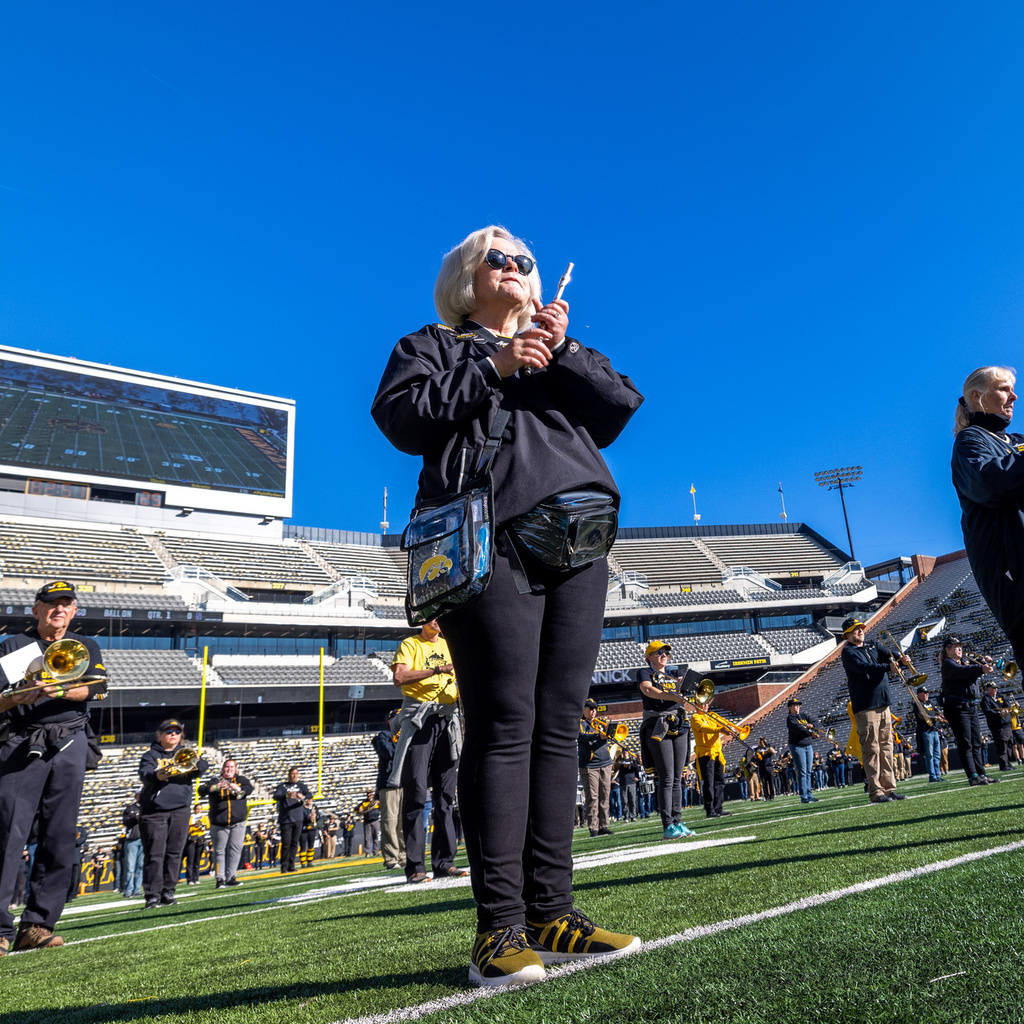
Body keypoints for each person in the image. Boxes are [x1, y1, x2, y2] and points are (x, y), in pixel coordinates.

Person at [372, 225, 643, 987]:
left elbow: (619, 407)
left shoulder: (556, 348)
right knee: (503, 724)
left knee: (558, 725)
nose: (517, 267)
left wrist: (563, 349)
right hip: (486, 537)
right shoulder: (430, 344)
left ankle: (552, 912)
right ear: (467, 276)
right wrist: (494, 364)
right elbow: (401, 421)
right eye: (500, 258)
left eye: (525, 260)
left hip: (579, 538)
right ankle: (499, 929)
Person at [0, 579, 107, 955]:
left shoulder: (84, 645)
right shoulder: (13, 645)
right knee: (8, 833)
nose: (58, 609)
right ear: (36, 610)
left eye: (65, 604)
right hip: (21, 740)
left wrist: (60, 689)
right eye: (51, 604)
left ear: (74, 611)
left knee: (60, 835)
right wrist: (16, 698)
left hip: (70, 741)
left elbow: (98, 688)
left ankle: (38, 925)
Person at [951, 366, 1024, 665]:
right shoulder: (970, 441)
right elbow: (990, 483)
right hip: (1014, 575)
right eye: (1004, 389)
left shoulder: (1017, 440)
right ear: (976, 396)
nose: (1014, 396)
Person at [389, 619, 463, 884]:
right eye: (433, 617)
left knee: (446, 795)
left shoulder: (449, 644)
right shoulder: (410, 644)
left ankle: (444, 862)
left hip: (448, 720)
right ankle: (415, 867)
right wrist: (438, 670)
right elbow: (399, 677)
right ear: (423, 620)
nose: (437, 621)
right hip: (420, 720)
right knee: (417, 791)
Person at [138, 719, 208, 908]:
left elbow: (201, 769)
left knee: (174, 853)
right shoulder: (151, 755)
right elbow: (144, 774)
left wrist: (198, 760)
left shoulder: (185, 753)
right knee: (155, 854)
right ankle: (152, 896)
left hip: (180, 810)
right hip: (154, 812)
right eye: (169, 731)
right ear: (159, 735)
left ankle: (168, 892)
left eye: (177, 732)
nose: (173, 735)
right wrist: (156, 775)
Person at [840, 617, 908, 804]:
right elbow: (863, 667)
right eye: (856, 629)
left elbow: (888, 655)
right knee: (872, 749)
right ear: (847, 634)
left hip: (883, 703)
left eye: (861, 628)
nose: (860, 631)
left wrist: (900, 659)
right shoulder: (848, 652)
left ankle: (889, 789)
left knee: (887, 748)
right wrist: (888, 667)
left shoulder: (872, 645)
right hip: (866, 706)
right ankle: (876, 792)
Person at [636, 641, 696, 839]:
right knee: (667, 777)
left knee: (678, 777)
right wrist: (673, 697)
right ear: (649, 656)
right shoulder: (645, 672)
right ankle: (668, 825)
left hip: (678, 723)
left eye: (666, 653)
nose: (664, 655)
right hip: (658, 724)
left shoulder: (674, 673)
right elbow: (647, 690)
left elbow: (687, 691)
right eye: (660, 652)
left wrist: (684, 687)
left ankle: (678, 822)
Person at [939, 637, 997, 785]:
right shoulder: (948, 664)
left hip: (970, 706)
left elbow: (975, 666)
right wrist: (981, 668)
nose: (960, 649)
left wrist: (986, 661)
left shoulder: (964, 660)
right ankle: (973, 775)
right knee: (966, 743)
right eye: (956, 646)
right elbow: (963, 671)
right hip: (957, 707)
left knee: (976, 741)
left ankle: (982, 774)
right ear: (948, 649)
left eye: (961, 646)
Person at [199, 757, 253, 888]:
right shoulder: (215, 780)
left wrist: (238, 788)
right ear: (222, 769)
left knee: (235, 849)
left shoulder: (241, 779)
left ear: (235, 769)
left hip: (238, 821)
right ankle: (219, 879)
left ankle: (231, 877)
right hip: (219, 823)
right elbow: (201, 790)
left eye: (231, 767)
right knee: (219, 851)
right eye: (226, 767)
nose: (229, 769)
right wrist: (215, 787)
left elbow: (249, 789)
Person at [372, 710, 405, 870]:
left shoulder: (405, 735)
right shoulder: (383, 736)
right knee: (390, 822)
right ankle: (392, 857)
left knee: (403, 823)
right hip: (389, 784)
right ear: (390, 721)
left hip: (404, 782)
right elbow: (389, 753)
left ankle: (404, 856)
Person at [577, 700, 615, 837]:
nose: (593, 712)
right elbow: (581, 736)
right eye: (590, 709)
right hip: (589, 765)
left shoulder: (601, 722)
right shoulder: (580, 723)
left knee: (605, 795)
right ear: (584, 709)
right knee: (592, 797)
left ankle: (604, 825)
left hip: (605, 762)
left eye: (595, 709)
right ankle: (593, 828)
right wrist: (598, 735)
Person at [689, 702, 731, 818]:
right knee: (709, 783)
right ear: (696, 705)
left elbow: (723, 725)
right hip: (705, 754)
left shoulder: (712, 716)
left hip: (717, 753)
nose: (705, 706)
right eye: (702, 704)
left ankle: (718, 808)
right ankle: (710, 810)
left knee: (720, 781)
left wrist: (728, 728)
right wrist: (719, 729)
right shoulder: (695, 717)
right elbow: (703, 728)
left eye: (706, 703)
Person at [273, 767, 311, 873]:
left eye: (296, 773)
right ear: (289, 775)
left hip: (298, 818)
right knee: (286, 844)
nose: (294, 776)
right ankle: (284, 867)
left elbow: (309, 794)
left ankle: (291, 865)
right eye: (292, 774)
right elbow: (276, 796)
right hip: (286, 819)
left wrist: (303, 796)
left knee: (294, 843)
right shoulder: (283, 786)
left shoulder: (301, 786)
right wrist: (286, 795)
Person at [785, 697, 819, 804]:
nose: (797, 707)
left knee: (808, 771)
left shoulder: (803, 715)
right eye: (795, 705)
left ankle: (809, 794)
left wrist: (813, 726)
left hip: (808, 745)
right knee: (802, 771)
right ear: (790, 707)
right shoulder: (790, 718)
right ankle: (804, 796)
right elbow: (798, 729)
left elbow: (815, 721)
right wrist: (810, 732)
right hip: (798, 746)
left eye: (798, 705)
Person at [912, 684, 944, 783]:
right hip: (926, 731)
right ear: (919, 694)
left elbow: (937, 711)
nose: (927, 694)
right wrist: (935, 718)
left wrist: (941, 715)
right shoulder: (917, 704)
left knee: (937, 754)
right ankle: (932, 776)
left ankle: (937, 775)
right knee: (930, 755)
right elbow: (922, 716)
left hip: (934, 730)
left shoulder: (931, 702)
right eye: (925, 693)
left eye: (927, 693)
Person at [981, 681, 1015, 772]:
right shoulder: (986, 699)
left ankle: (1008, 763)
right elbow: (987, 711)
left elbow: (1007, 703)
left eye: (996, 687)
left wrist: (1006, 710)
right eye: (993, 688)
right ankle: (1003, 765)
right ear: (988, 689)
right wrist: (998, 714)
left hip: (1007, 724)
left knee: (1009, 744)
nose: (995, 689)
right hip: (998, 726)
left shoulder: (1000, 695)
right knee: (1002, 745)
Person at [183, 803, 207, 886]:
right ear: (194, 810)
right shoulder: (191, 817)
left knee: (197, 861)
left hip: (200, 839)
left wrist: (201, 825)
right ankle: (189, 879)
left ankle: (196, 878)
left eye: (200, 809)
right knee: (190, 860)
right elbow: (187, 828)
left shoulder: (204, 817)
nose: (198, 810)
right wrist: (194, 825)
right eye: (197, 809)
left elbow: (206, 826)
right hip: (192, 839)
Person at [355, 790, 381, 858]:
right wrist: (359, 810)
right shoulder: (364, 802)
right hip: (367, 822)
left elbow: (382, 807)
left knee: (375, 837)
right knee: (367, 838)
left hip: (375, 820)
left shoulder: (377, 802)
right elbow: (356, 809)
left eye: (370, 794)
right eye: (368, 794)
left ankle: (375, 852)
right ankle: (367, 853)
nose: (369, 795)